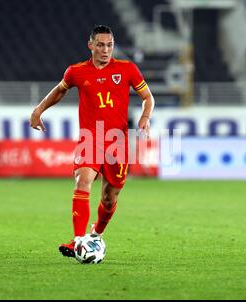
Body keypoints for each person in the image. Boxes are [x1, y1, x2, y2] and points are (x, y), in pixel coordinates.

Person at [30, 25, 154, 258]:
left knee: (109, 198)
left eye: (109, 45)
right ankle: (78, 241)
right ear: (91, 45)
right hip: (91, 138)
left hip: (117, 141)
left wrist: (145, 117)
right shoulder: (76, 71)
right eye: (100, 45)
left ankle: (95, 234)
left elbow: (148, 97)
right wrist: (38, 110)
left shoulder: (127, 69)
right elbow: (59, 90)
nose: (105, 50)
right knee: (83, 180)